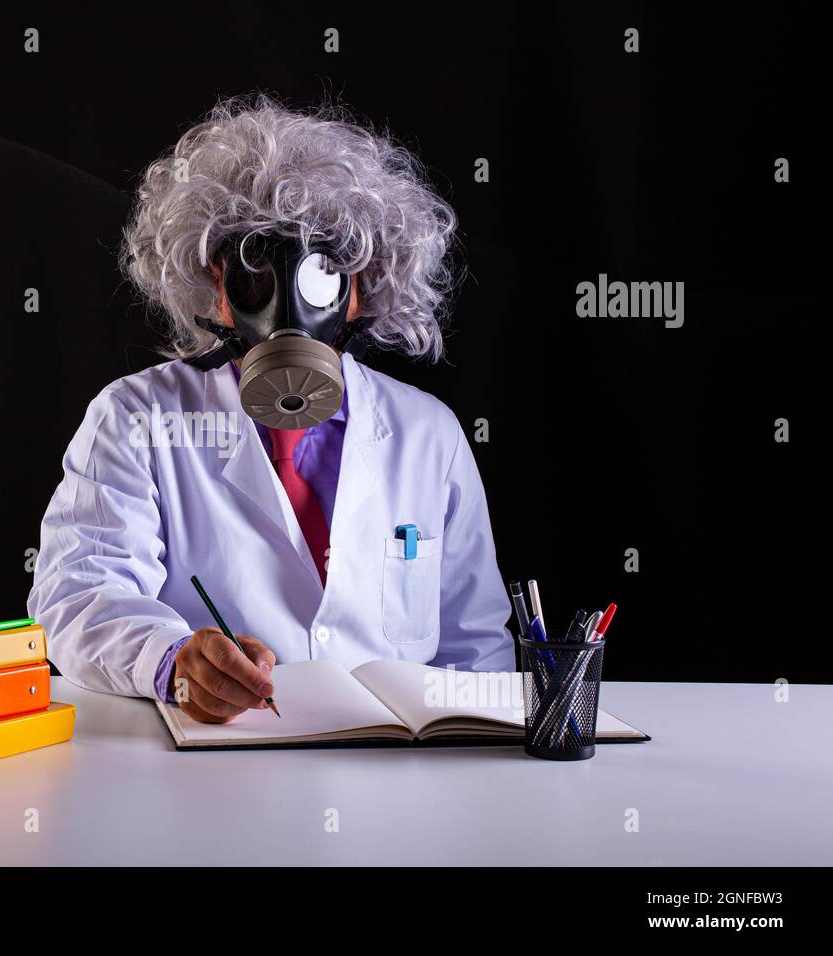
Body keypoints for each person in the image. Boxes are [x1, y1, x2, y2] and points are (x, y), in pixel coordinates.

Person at [27, 94, 514, 723]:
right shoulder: (136, 419)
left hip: (393, 793)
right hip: (211, 775)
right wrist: (175, 661)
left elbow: (476, 648)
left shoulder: (429, 433)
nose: (285, 309)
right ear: (214, 289)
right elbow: (76, 595)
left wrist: (467, 754)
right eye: (254, 273)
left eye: (320, 274)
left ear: (361, 287)